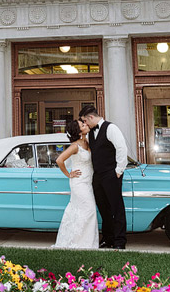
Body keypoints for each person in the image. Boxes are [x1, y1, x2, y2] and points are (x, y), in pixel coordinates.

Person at [79, 105, 129, 249]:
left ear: (91, 117)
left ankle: (120, 241)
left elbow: (121, 148)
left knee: (116, 208)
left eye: (85, 121)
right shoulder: (90, 132)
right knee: (103, 209)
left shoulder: (111, 128)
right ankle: (108, 238)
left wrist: (118, 171)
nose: (85, 124)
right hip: (98, 176)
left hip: (111, 174)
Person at [52, 119, 98, 249]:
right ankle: (83, 244)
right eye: (82, 125)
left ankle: (81, 242)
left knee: (84, 211)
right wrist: (68, 174)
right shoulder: (74, 146)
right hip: (79, 183)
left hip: (88, 182)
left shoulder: (87, 142)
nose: (85, 124)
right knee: (88, 210)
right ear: (78, 132)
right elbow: (59, 160)